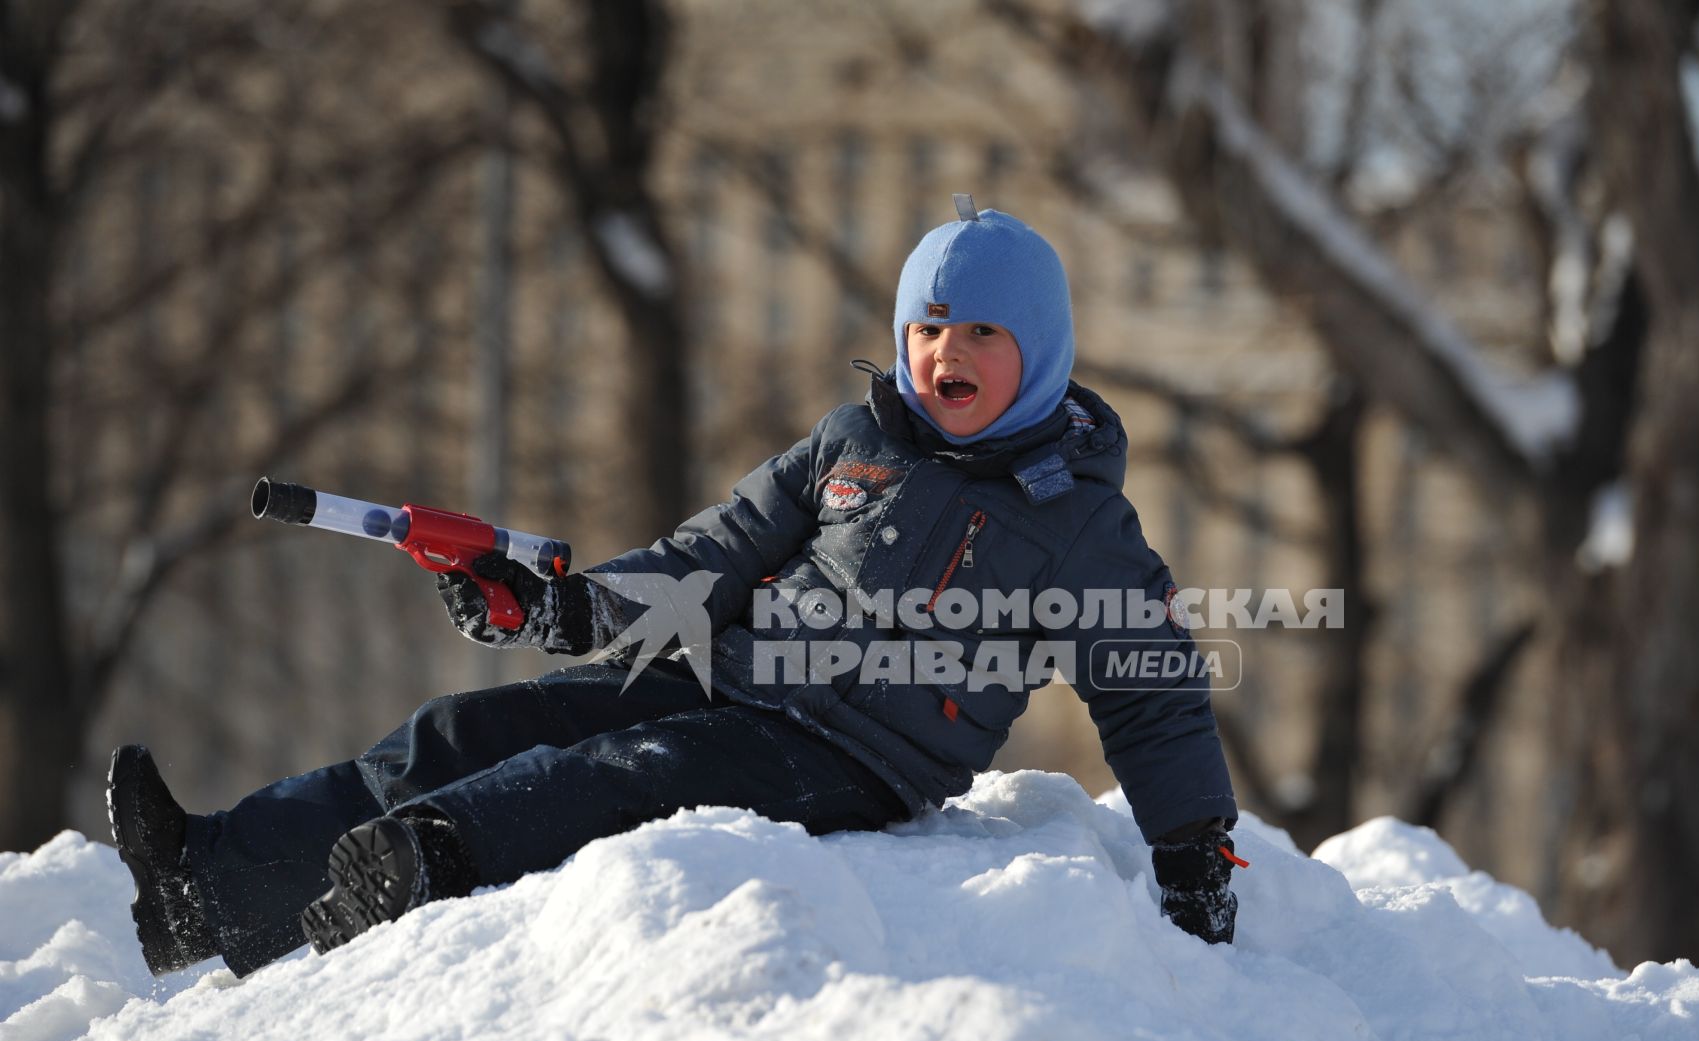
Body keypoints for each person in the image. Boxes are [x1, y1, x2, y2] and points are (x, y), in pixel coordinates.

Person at [107, 197, 1243, 979]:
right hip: (723, 676)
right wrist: (572, 608)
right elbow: (714, 551)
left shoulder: (1079, 518)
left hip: (855, 760)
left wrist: (1192, 846)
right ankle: (207, 883)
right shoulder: (854, 441)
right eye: (928, 325)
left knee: (620, 778)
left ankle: (427, 859)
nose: (946, 349)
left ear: (1038, 350)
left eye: (981, 330)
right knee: (473, 726)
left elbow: (1151, 689)